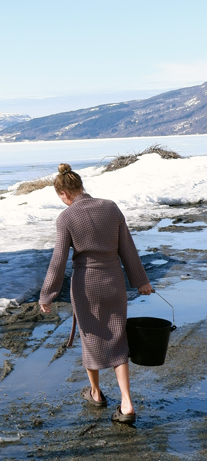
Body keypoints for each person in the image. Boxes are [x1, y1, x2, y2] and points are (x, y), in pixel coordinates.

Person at [39, 163, 153, 425]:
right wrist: (141, 281)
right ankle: (126, 402)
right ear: (81, 187)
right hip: (114, 281)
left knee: (90, 338)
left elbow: (58, 261)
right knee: (117, 337)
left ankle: (96, 393)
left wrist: (47, 295)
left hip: (86, 284)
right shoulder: (110, 207)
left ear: (63, 194)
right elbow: (128, 248)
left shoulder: (66, 218)